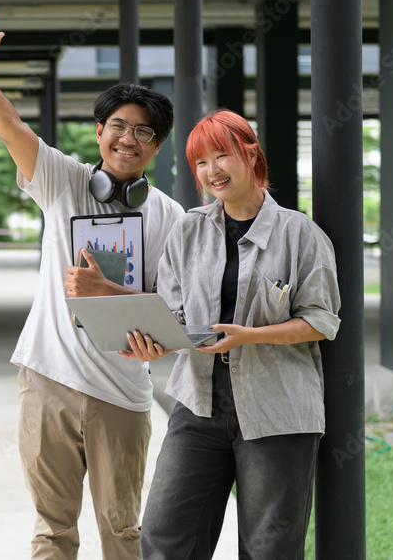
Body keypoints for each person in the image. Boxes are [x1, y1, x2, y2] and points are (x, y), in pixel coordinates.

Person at [0, 0, 184, 559]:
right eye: (119, 127)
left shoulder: (169, 216)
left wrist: (122, 306)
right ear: (99, 130)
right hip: (48, 381)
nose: (129, 139)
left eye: (145, 133)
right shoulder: (62, 180)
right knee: (52, 529)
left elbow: (177, 313)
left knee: (123, 532)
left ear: (157, 146)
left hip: (123, 395)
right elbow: (7, 124)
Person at [121, 109, 341, 559]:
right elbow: (173, 311)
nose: (211, 171)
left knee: (269, 547)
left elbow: (321, 321)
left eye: (221, 156)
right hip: (198, 404)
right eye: (201, 162)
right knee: (164, 536)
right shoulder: (188, 230)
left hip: (277, 410)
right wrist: (156, 340)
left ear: (251, 154)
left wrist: (250, 336)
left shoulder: (300, 233)